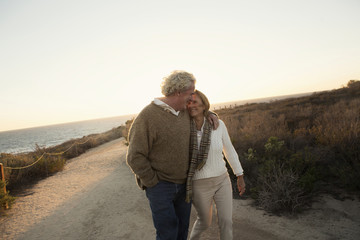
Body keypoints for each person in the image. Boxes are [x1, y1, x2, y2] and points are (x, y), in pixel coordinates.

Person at [126, 71, 218, 240]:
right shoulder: (148, 116)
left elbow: (200, 111)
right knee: (167, 233)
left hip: (184, 186)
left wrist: (211, 114)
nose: (193, 97)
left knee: (182, 231)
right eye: (191, 93)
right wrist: (153, 182)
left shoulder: (184, 112)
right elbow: (134, 156)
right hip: (161, 187)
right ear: (178, 92)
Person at [186, 90, 246, 240]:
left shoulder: (218, 125)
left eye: (195, 102)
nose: (192, 105)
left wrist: (239, 175)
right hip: (199, 184)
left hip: (222, 180)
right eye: (189, 102)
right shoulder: (183, 127)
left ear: (204, 104)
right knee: (205, 222)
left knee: (226, 221)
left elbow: (229, 150)